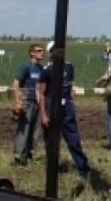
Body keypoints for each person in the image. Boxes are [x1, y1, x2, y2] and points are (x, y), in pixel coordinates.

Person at [38, 43, 91, 177]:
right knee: (51, 140)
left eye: (59, 50)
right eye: (53, 51)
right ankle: (52, 169)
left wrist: (70, 98)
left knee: (73, 138)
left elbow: (70, 85)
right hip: (51, 105)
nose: (57, 53)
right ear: (50, 53)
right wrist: (43, 114)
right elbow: (41, 93)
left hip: (66, 106)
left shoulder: (69, 66)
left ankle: (83, 167)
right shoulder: (47, 70)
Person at [11, 43, 44, 166]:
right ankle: (18, 156)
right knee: (24, 129)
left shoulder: (41, 69)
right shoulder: (25, 67)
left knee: (35, 131)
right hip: (27, 102)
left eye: (42, 50)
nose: (42, 52)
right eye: (39, 50)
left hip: (38, 103)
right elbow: (15, 83)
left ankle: (30, 154)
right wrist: (17, 102)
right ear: (32, 53)